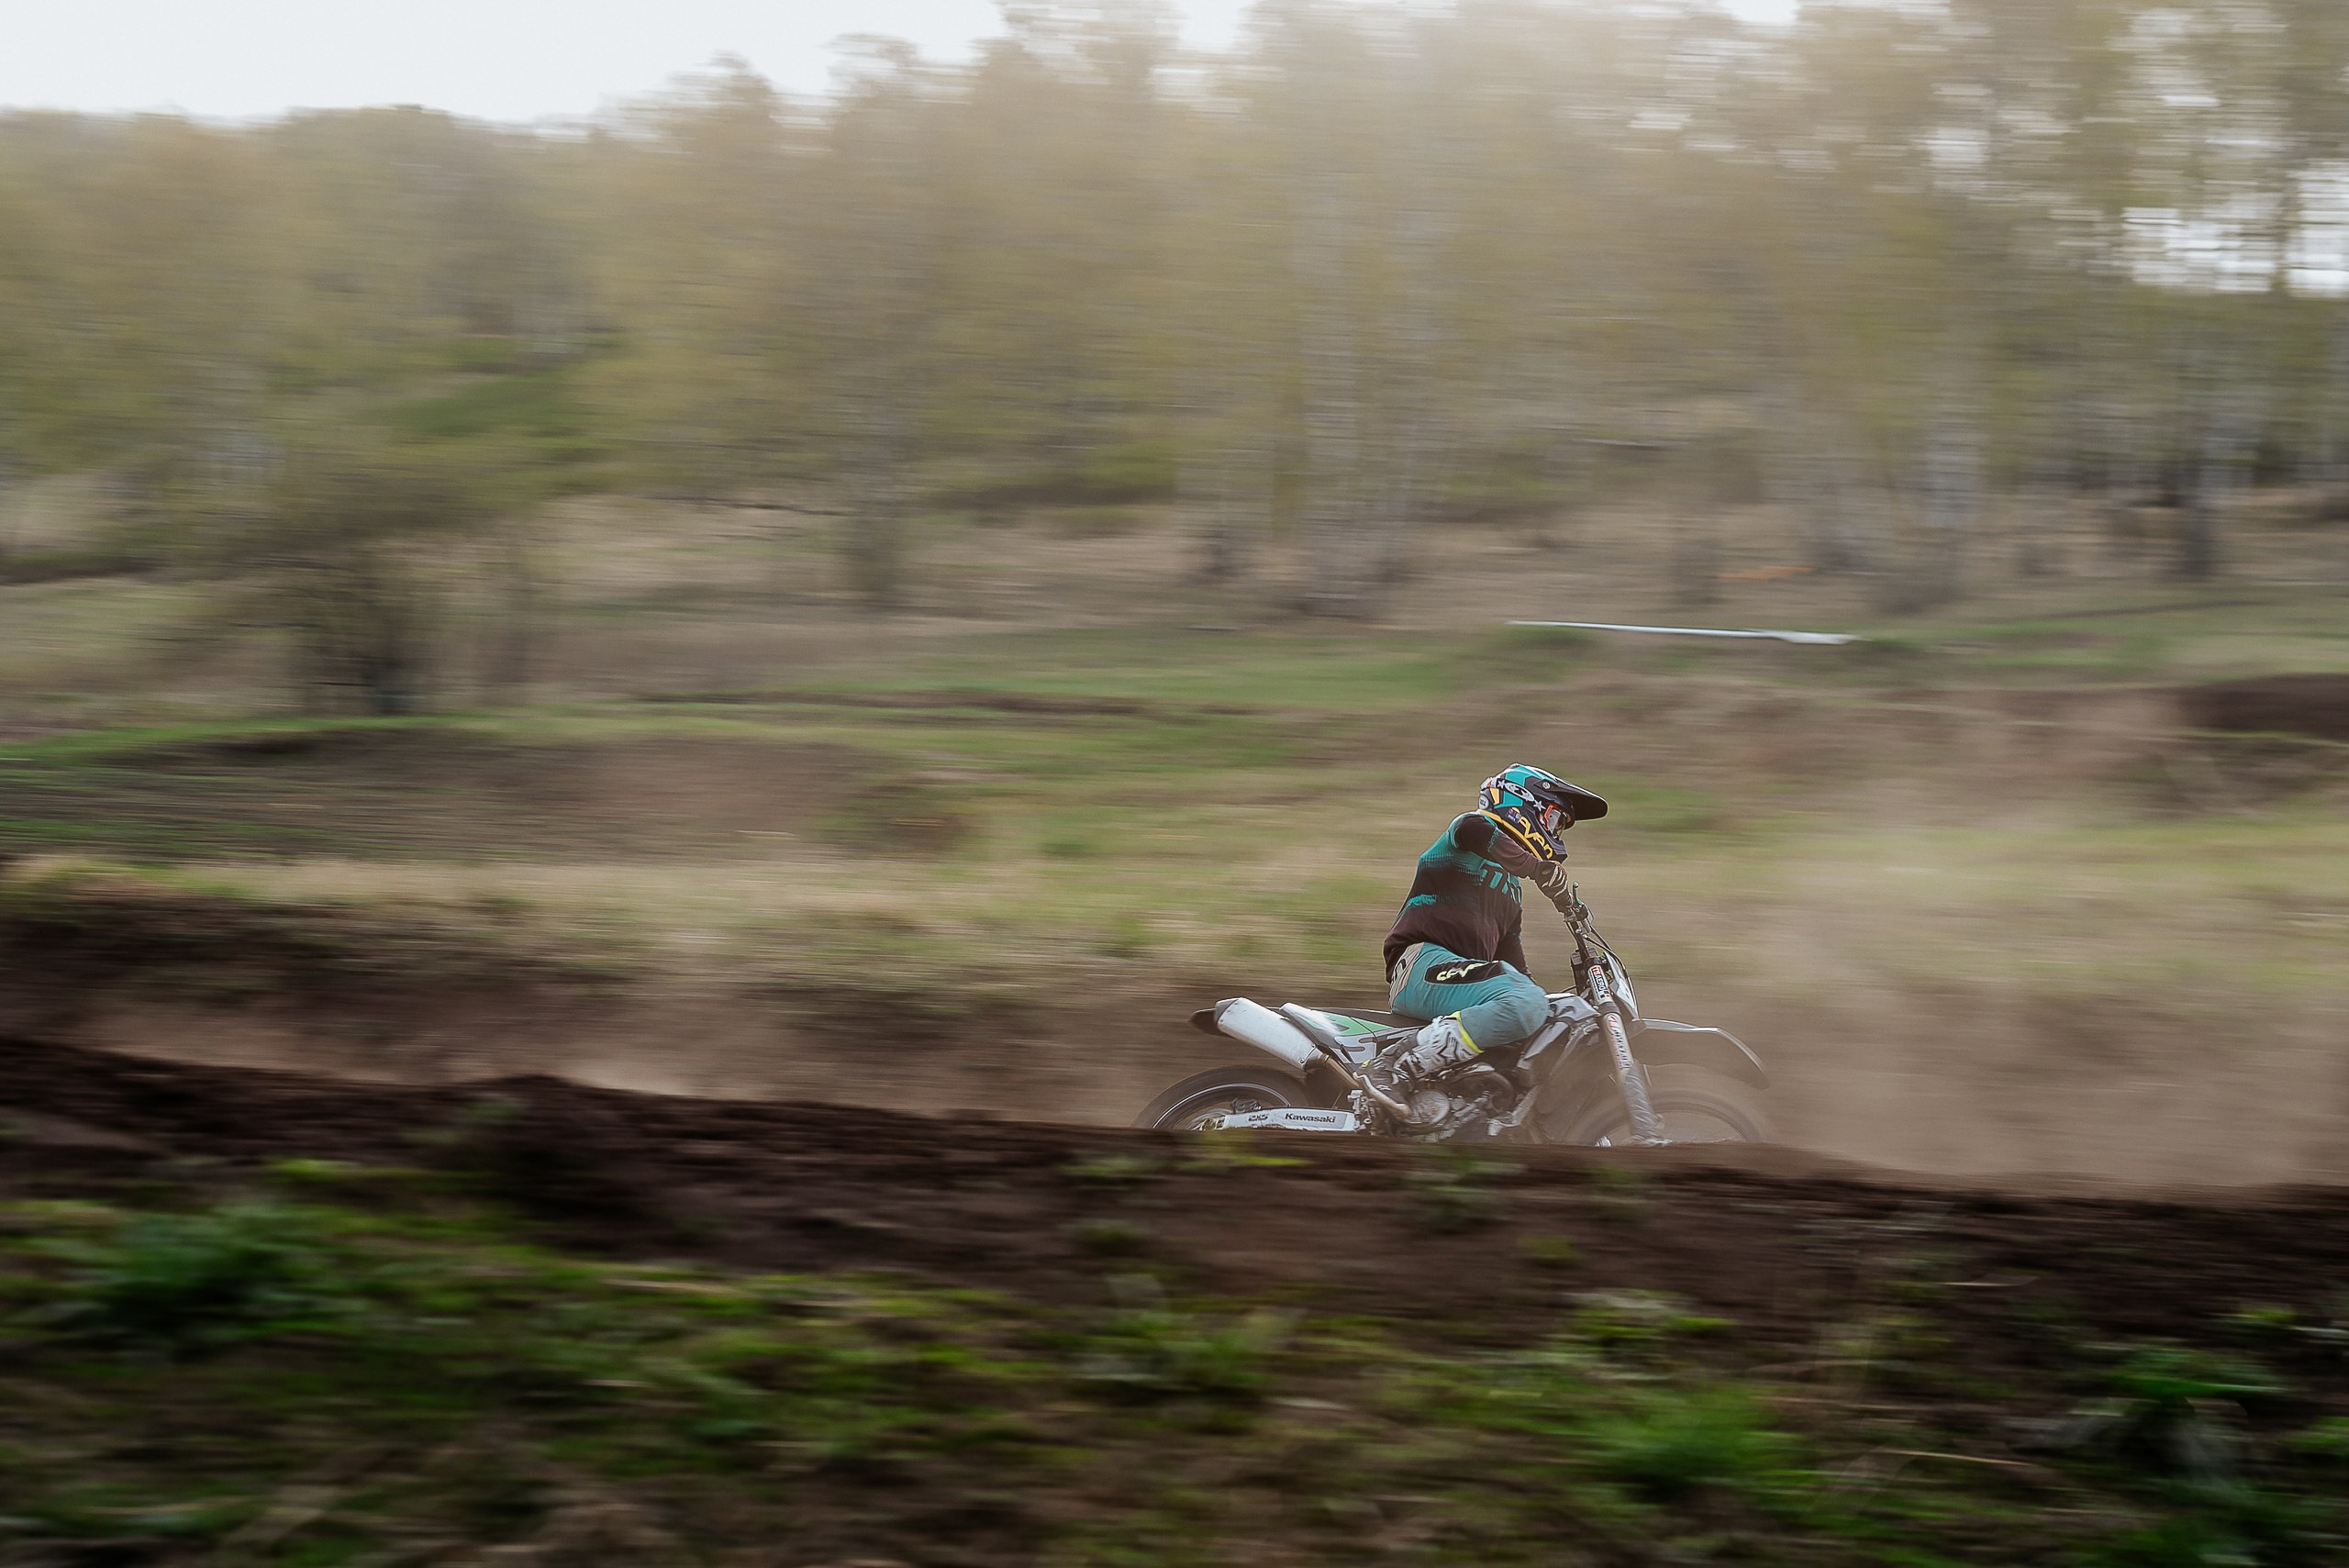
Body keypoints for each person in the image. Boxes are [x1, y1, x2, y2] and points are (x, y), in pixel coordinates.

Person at [1370, 764, 1609, 1096]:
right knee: (1527, 1002)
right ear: (1523, 803)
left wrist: (1544, 1001)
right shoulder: (1467, 833)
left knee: (1539, 1012)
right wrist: (1534, 867)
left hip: (1460, 983)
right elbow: (1474, 829)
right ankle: (1396, 1064)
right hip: (1420, 965)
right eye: (1555, 820)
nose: (1557, 833)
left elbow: (1514, 964)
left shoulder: (1511, 892)